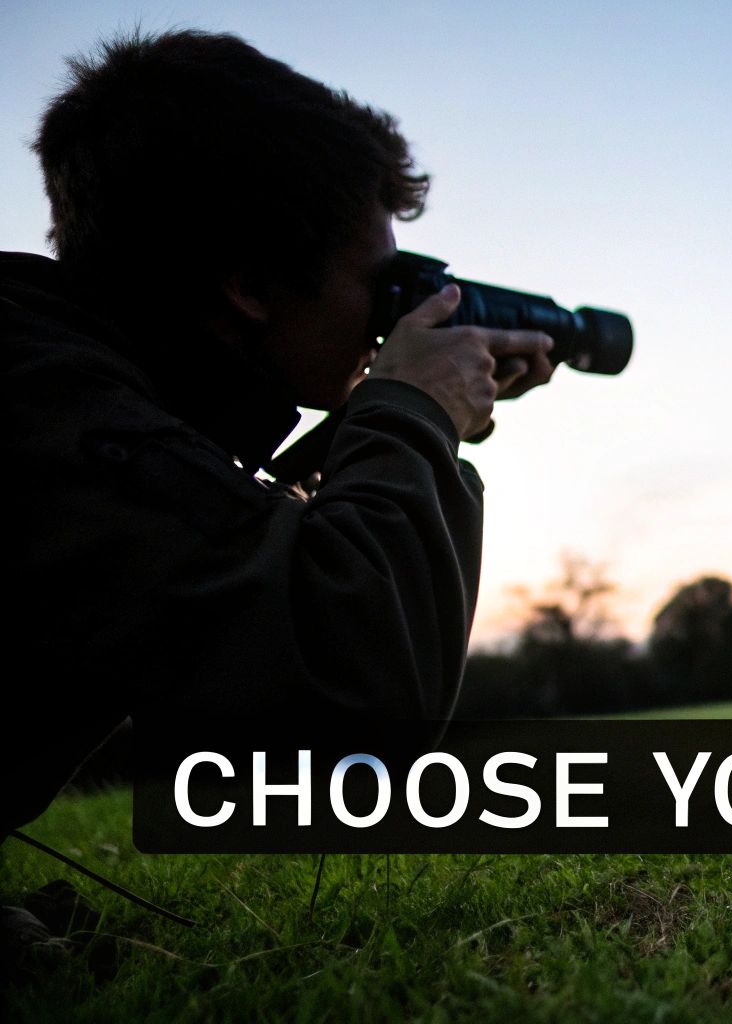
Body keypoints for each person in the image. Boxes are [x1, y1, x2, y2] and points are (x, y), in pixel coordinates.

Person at [0, 29, 556, 837]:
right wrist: (413, 413)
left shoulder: (56, 382)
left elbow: (210, 573)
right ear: (252, 283)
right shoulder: (43, 399)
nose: (384, 315)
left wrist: (383, 418)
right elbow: (350, 709)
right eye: (377, 282)